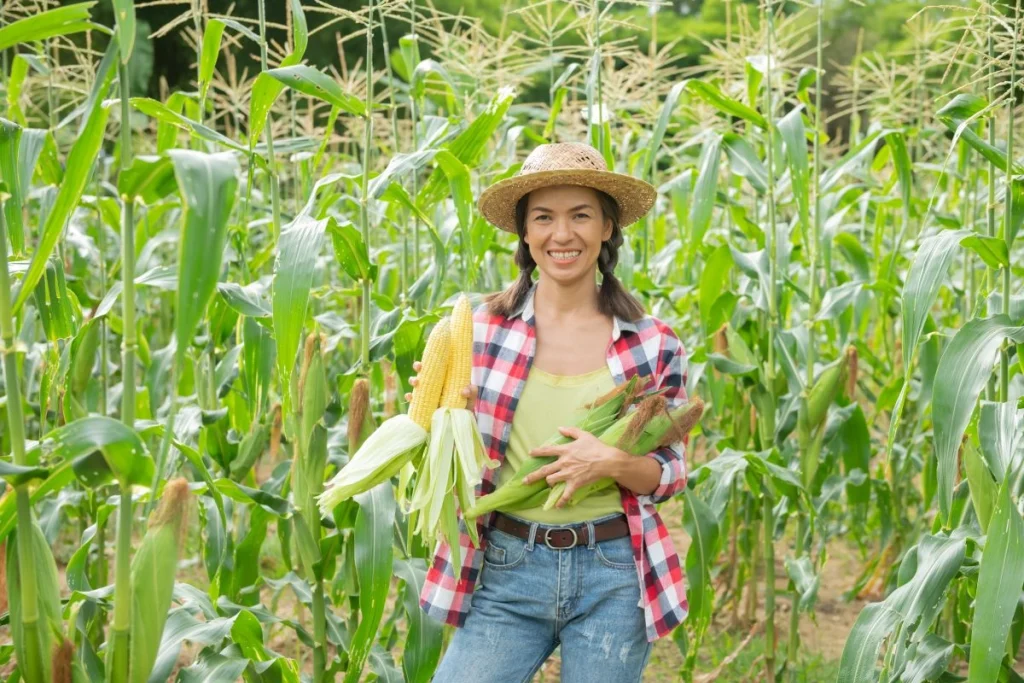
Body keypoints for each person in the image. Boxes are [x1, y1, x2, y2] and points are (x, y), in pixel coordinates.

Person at [407, 141, 690, 683]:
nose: (562, 234)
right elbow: (443, 455)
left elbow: (670, 473)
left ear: (607, 227)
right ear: (524, 232)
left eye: (580, 215)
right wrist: (436, 415)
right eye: (543, 218)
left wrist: (609, 462)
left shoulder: (653, 344)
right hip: (508, 568)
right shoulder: (480, 331)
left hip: (614, 573)